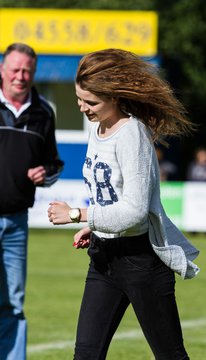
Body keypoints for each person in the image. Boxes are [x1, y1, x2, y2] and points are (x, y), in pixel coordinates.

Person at [48, 48, 200, 360]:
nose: (83, 108)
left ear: (115, 97)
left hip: (141, 262)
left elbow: (133, 211)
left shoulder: (132, 133)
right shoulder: (98, 128)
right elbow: (110, 196)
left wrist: (78, 215)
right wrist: (97, 228)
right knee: (86, 355)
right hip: (104, 259)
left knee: (171, 355)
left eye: (91, 102)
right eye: (79, 99)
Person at [0, 43, 64, 360]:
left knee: (13, 300)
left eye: (27, 70)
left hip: (15, 223)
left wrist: (46, 172)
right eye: (15, 69)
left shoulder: (43, 112)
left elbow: (53, 163)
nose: (21, 76)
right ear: (2, 69)